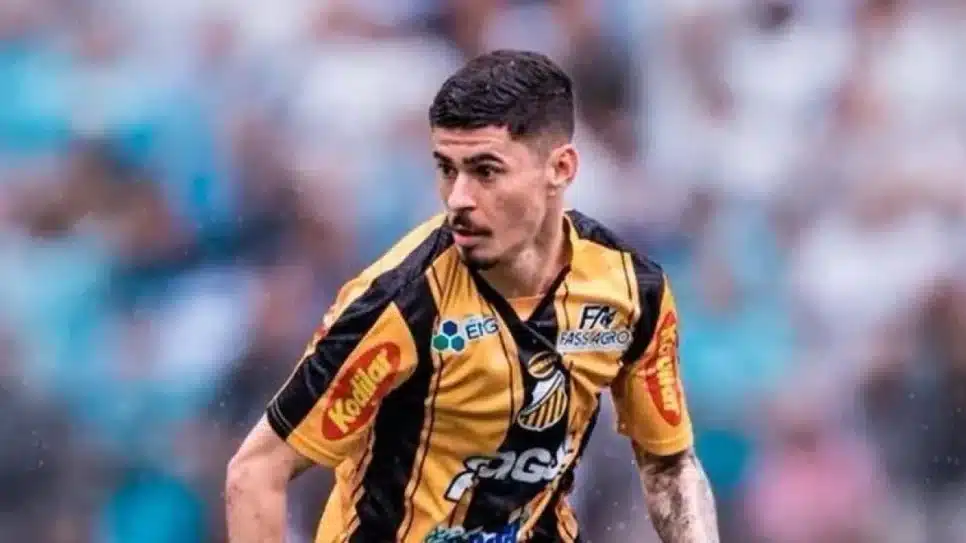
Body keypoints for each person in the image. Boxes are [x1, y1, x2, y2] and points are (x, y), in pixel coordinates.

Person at [226, 49, 719, 543]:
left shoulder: (631, 291)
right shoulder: (399, 303)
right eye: (447, 169)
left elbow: (669, 464)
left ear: (561, 168)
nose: (459, 198)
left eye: (485, 171)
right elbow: (255, 473)